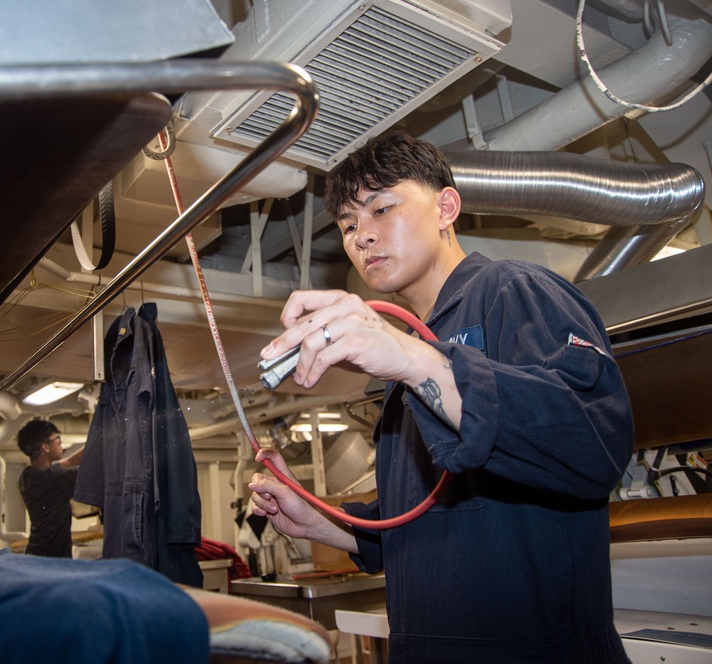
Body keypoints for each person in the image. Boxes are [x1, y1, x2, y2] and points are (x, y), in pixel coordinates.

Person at [248, 131, 634, 663]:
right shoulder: (410, 351)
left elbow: (593, 446)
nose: (361, 236)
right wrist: (322, 522)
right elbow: (433, 515)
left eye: (381, 207)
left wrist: (413, 360)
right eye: (348, 225)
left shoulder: (513, 290)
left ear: (446, 207)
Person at [17, 419, 84, 557]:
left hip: (38, 553)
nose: (61, 445)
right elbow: (90, 470)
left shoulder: (30, 475)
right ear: (45, 447)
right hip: (51, 559)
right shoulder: (50, 478)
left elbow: (69, 461)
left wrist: (98, 437)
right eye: (57, 440)